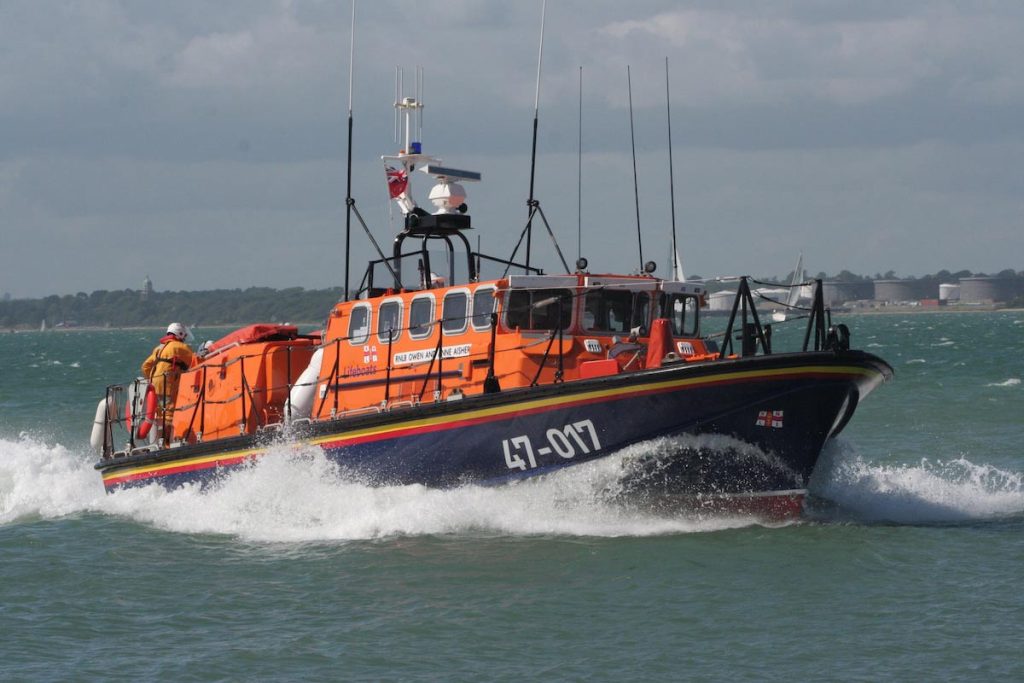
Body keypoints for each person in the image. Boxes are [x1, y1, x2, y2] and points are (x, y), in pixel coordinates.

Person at [141, 322, 194, 430]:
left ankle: (159, 441)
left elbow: (145, 366)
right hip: (168, 385)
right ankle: (167, 443)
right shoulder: (180, 347)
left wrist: (152, 379)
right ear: (180, 333)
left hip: (155, 385)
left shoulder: (160, 348)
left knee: (160, 414)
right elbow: (195, 361)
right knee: (169, 415)